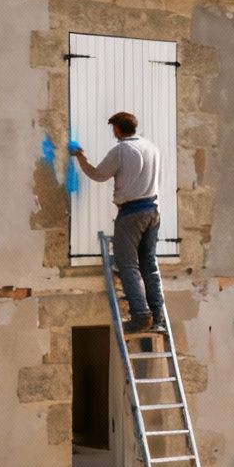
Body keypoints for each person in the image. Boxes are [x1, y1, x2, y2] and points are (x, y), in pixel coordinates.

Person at [70, 112, 165, 334]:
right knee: (149, 266)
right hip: (152, 211)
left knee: (128, 265)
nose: (113, 133)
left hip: (131, 214)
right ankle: (157, 316)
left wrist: (80, 157)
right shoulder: (152, 148)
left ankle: (141, 315)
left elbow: (99, 174)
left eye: (113, 129)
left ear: (118, 129)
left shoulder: (122, 151)